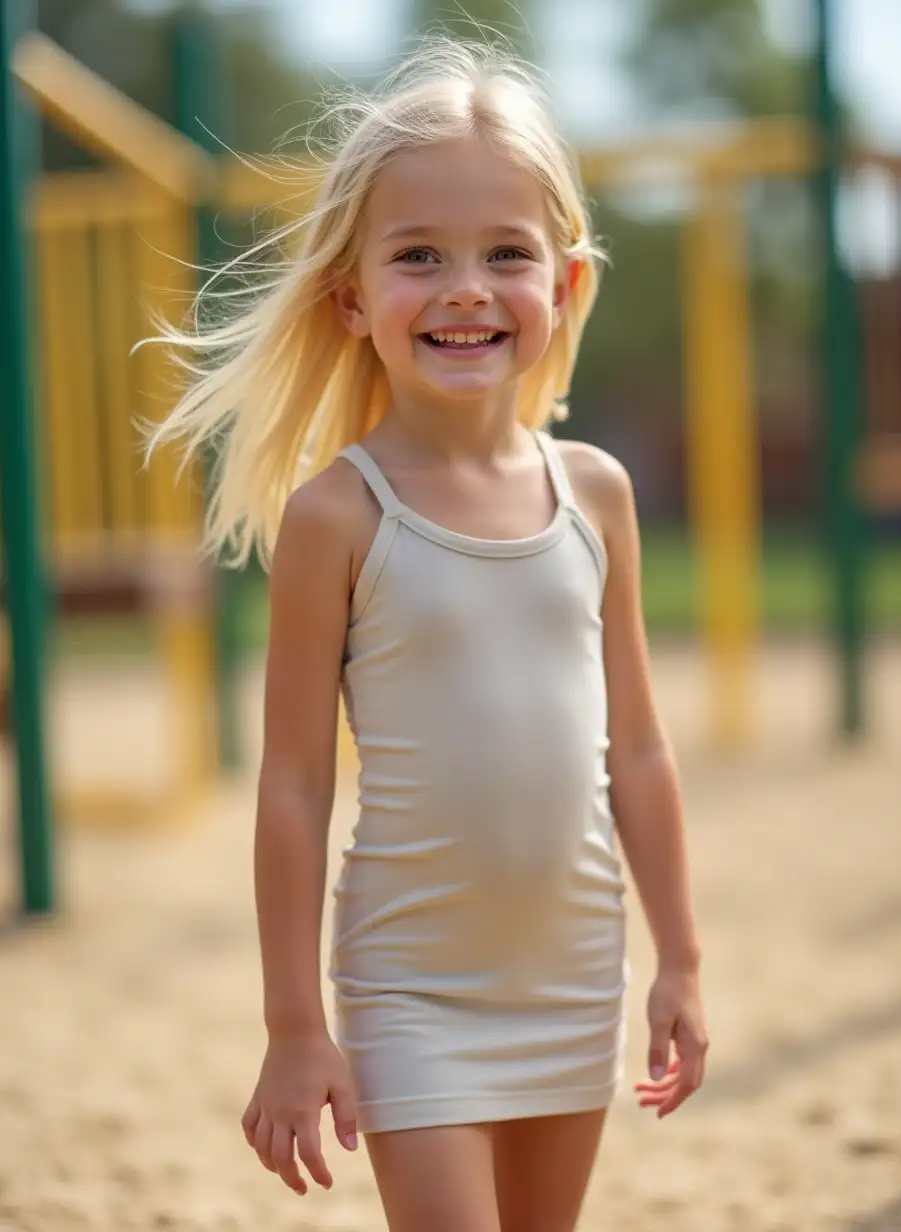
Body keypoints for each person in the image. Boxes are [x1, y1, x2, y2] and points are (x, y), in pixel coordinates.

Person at [145, 35, 708, 1232]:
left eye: (505, 253)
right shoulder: (338, 515)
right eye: (418, 256)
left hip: (571, 976)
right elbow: (294, 786)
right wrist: (296, 1026)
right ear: (351, 296)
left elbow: (642, 754)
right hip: (413, 994)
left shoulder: (597, 494)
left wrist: (681, 960)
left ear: (560, 285)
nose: (464, 286)